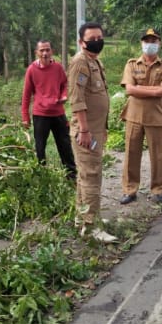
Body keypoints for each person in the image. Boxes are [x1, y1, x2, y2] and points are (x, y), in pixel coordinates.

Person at [67, 22, 116, 242]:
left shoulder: (95, 62)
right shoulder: (80, 62)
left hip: (96, 130)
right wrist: (85, 130)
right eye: (92, 38)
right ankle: (90, 226)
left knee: (85, 175)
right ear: (81, 42)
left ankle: (82, 216)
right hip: (86, 132)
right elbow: (76, 99)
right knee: (91, 176)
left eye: (99, 37)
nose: (97, 41)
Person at [120, 27, 162, 205]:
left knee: (158, 156)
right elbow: (129, 89)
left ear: (159, 43)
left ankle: (158, 190)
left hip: (156, 117)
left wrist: (139, 90)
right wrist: (154, 90)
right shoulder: (131, 64)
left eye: (154, 41)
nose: (150, 44)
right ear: (141, 43)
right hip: (134, 116)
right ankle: (130, 190)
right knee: (131, 155)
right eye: (147, 41)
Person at [21, 39, 77, 183]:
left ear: (51, 51)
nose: (45, 53)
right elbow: (26, 95)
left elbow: (64, 84)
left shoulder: (58, 68)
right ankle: (42, 176)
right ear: (37, 52)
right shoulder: (32, 70)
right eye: (42, 50)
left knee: (65, 145)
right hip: (40, 115)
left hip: (58, 113)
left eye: (47, 50)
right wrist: (25, 117)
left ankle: (71, 176)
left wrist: (64, 95)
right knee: (40, 147)